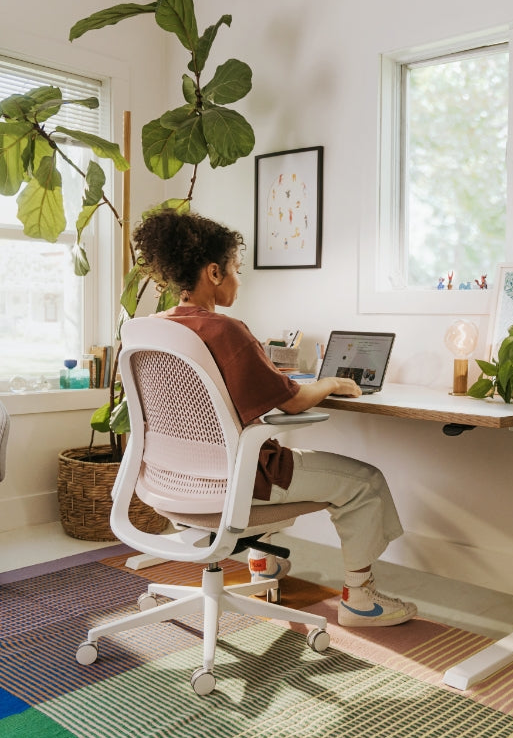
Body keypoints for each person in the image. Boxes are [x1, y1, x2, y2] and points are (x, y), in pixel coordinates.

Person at [132, 207, 417, 628]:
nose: (238, 280)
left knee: (273, 449)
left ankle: (263, 568)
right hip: (238, 483)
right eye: (235, 269)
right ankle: (360, 599)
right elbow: (295, 402)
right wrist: (333, 383)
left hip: (170, 481)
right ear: (213, 272)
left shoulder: (151, 329)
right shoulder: (225, 330)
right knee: (365, 482)